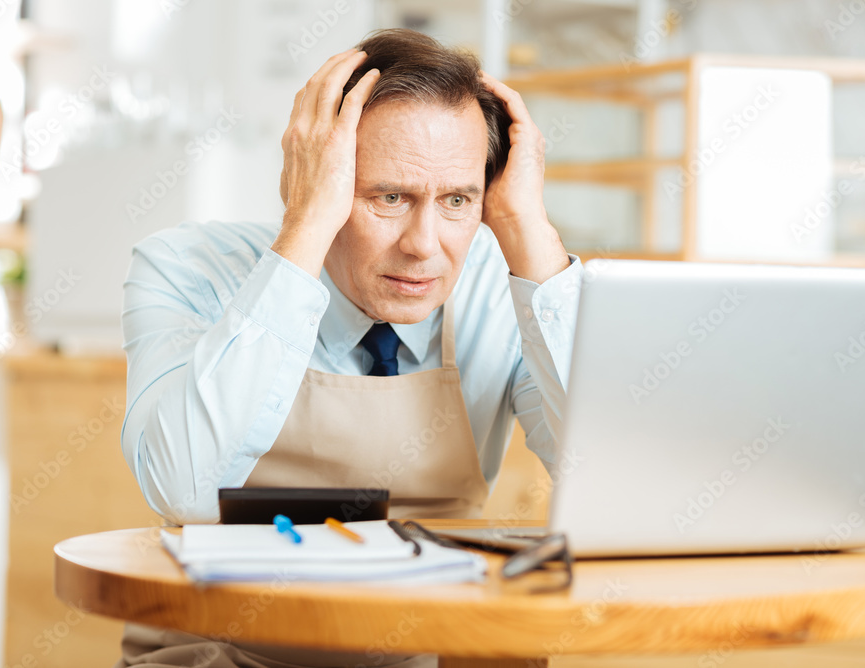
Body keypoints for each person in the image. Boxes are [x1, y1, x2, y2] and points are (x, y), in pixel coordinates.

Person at [116, 28, 582, 668]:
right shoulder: (186, 267)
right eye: (389, 197)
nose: (424, 245)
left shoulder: (503, 287)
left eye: (456, 200)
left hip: (435, 648)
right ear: (319, 178)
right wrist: (305, 224)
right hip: (219, 650)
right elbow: (183, 488)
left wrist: (527, 228)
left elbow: (605, 477)